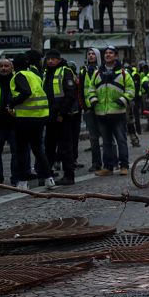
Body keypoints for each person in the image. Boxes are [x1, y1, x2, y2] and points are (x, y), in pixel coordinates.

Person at [9, 54, 54, 190]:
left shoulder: (19, 76)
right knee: (38, 149)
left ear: (15, 65)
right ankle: (49, 178)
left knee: (22, 150)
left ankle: (23, 182)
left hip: (25, 117)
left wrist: (12, 103)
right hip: (40, 116)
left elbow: (26, 92)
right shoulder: (34, 75)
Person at [87, 46, 134, 176]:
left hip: (118, 113)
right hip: (101, 113)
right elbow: (91, 89)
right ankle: (108, 167)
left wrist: (122, 101)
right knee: (106, 142)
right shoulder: (97, 73)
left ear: (116, 56)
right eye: (106, 53)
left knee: (121, 140)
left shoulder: (124, 73)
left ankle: (124, 166)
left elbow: (131, 90)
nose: (108, 55)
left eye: (111, 53)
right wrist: (93, 100)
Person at [42, 50, 79, 186]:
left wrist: (61, 114)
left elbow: (70, 95)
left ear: (59, 59)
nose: (50, 61)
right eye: (48, 59)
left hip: (62, 116)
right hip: (49, 115)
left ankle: (69, 176)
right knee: (49, 147)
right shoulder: (46, 72)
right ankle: (48, 175)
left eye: (53, 58)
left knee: (65, 147)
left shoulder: (65, 71)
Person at [79, 48, 102, 172]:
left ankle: (111, 162)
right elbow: (80, 90)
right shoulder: (83, 71)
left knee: (107, 137)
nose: (91, 56)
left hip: (101, 107)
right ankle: (96, 163)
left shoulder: (102, 69)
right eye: (89, 54)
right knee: (93, 138)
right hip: (89, 109)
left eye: (93, 54)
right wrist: (84, 107)